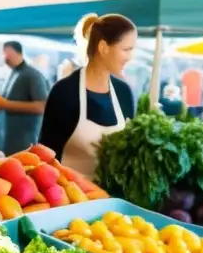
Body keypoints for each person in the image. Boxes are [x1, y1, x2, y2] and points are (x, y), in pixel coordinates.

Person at [39, 14, 136, 175]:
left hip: (113, 198)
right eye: (125, 50)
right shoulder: (64, 92)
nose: (130, 57)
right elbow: (45, 157)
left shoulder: (123, 93)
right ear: (103, 47)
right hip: (72, 197)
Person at [0, 41, 50, 155]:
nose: (5, 58)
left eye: (7, 53)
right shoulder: (12, 73)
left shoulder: (33, 75)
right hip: (6, 141)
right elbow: (5, 102)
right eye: (3, 54)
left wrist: (3, 104)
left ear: (18, 53)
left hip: (24, 142)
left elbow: (41, 107)